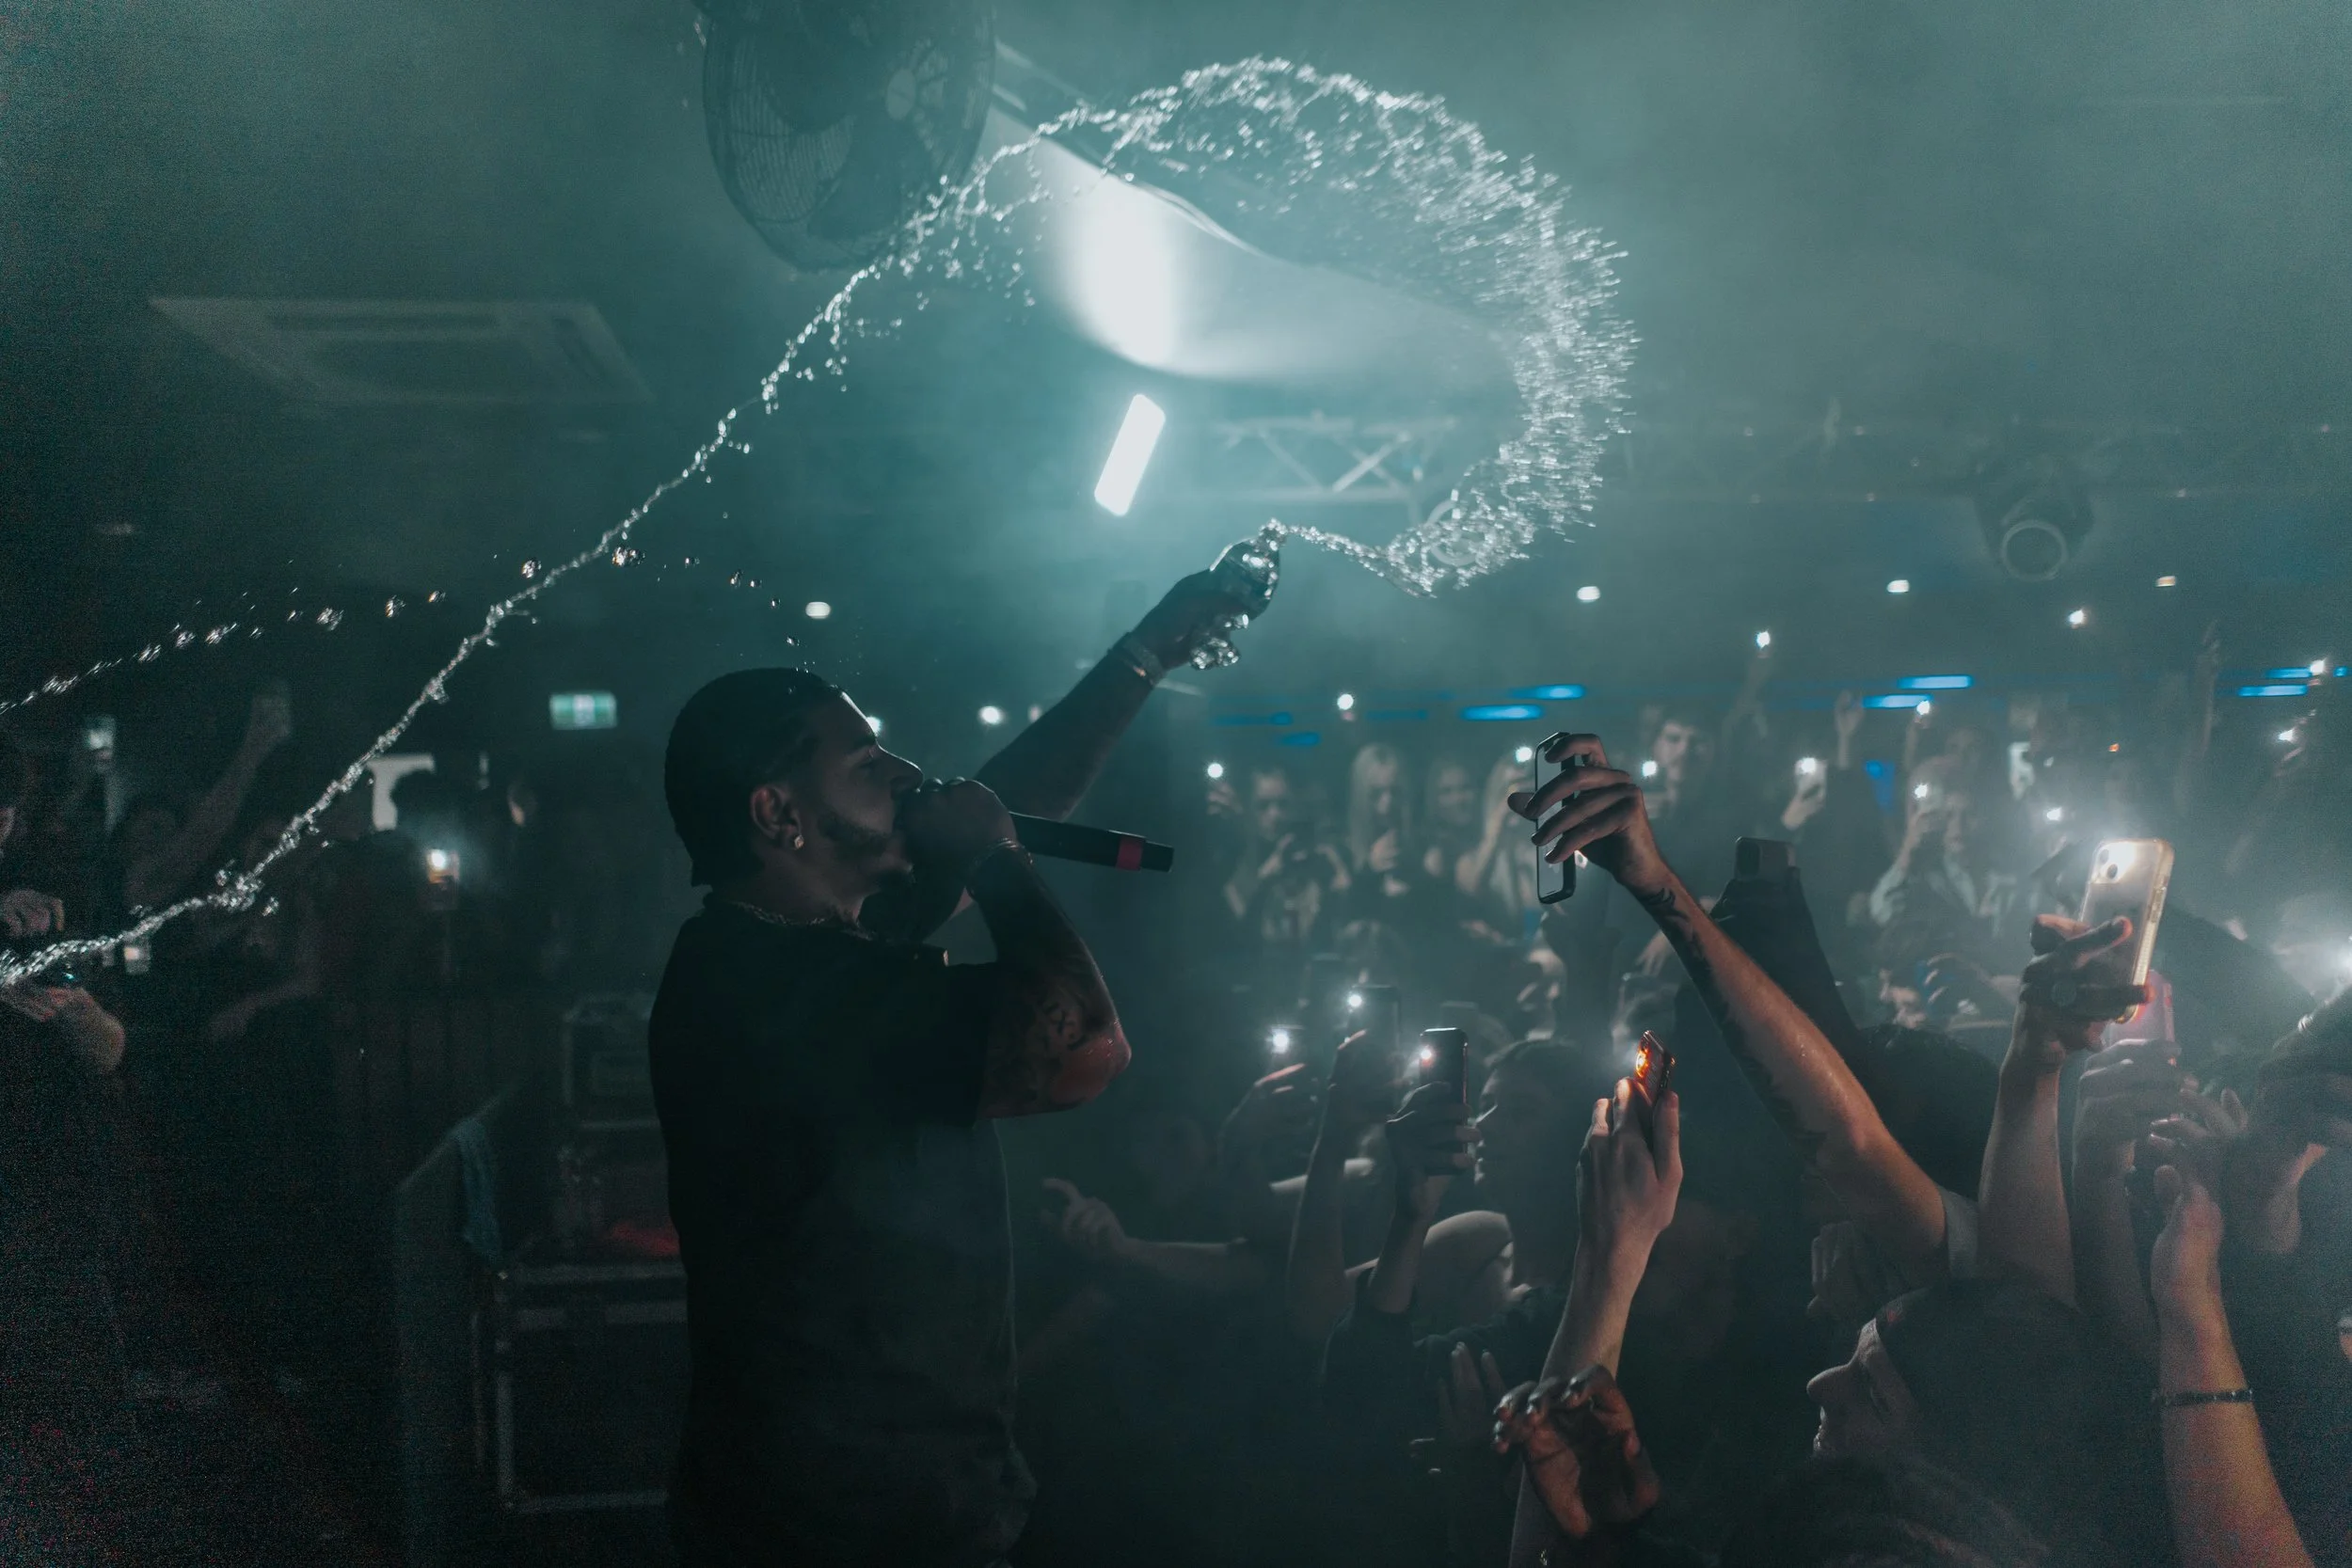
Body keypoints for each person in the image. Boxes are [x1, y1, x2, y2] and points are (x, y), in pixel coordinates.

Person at [649, 570, 1249, 1568]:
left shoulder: (782, 942)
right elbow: (1084, 1048)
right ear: (778, 812)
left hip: (869, 1492)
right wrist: (1001, 864)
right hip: (847, 1518)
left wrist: (1145, 653)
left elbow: (1010, 795)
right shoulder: (786, 995)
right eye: (865, 761)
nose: (901, 772)